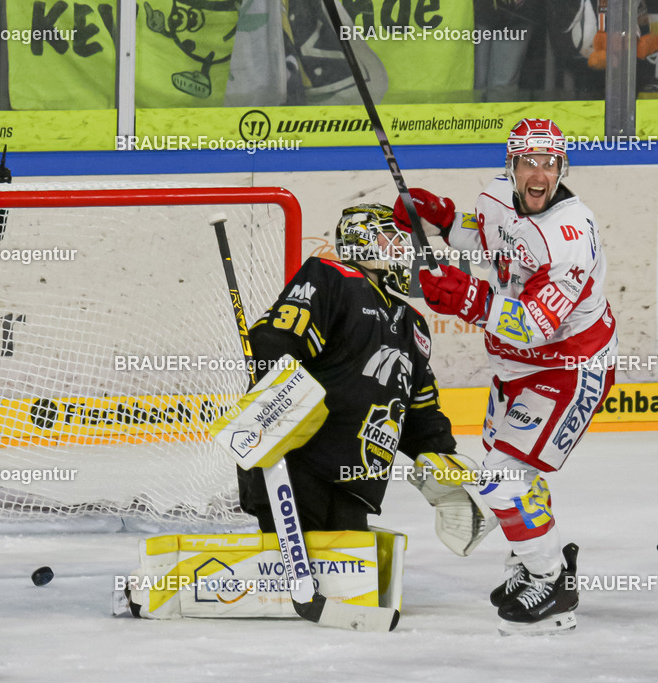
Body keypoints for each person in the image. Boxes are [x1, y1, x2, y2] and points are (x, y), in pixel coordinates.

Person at [396, 117, 617, 635]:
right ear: (511, 166)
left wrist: (469, 299)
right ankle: (529, 558)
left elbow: (538, 325)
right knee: (511, 472)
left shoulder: (570, 237)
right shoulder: (498, 198)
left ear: (562, 168)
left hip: (567, 368)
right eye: (527, 163)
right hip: (514, 369)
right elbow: (490, 240)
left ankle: (552, 582)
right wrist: (444, 220)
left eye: (549, 164)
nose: (538, 174)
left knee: (501, 477)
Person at [238, 204, 490, 555]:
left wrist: (441, 455)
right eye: (392, 237)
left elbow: (419, 409)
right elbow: (276, 338)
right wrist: (273, 395)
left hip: (360, 479)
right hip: (299, 464)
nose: (402, 248)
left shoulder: (412, 322)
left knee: (347, 578)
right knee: (292, 571)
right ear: (361, 239)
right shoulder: (331, 277)